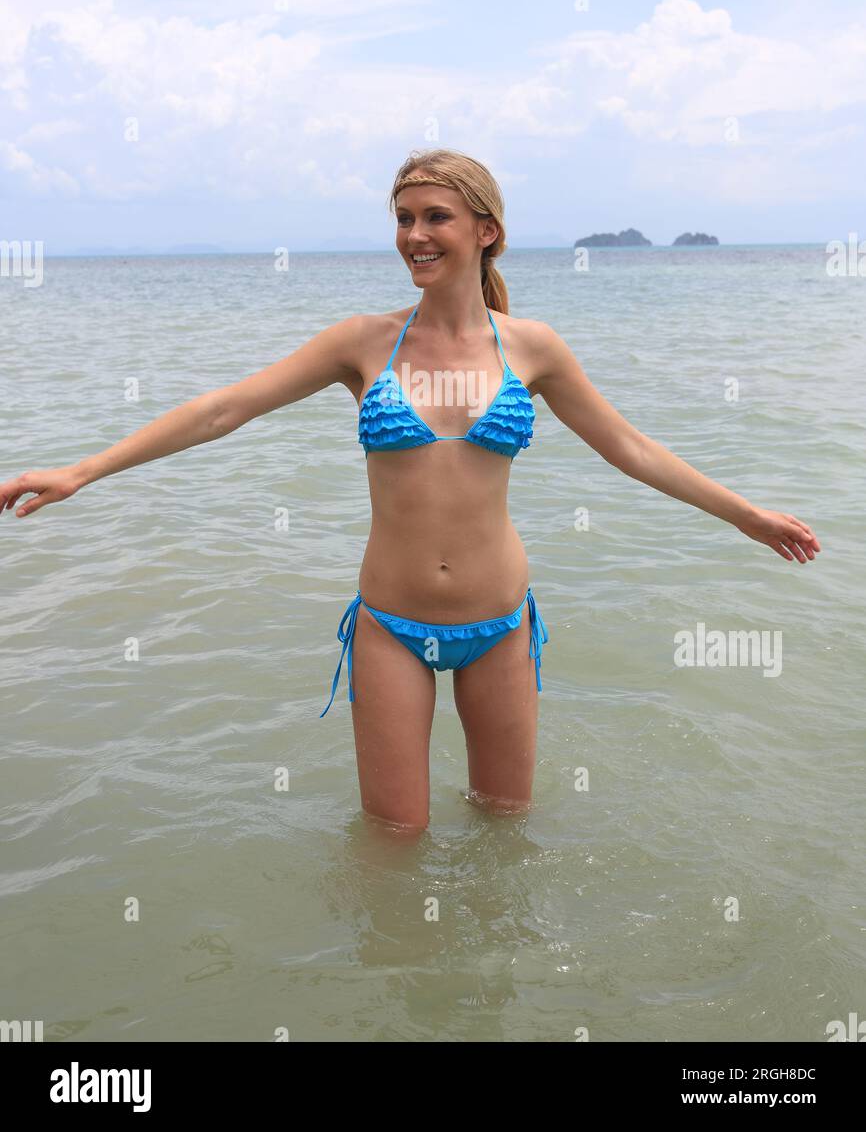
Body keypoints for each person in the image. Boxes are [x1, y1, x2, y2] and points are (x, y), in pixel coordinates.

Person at [0, 149, 821, 834]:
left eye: (434, 216)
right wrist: (84, 470)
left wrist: (742, 514)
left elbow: (632, 448)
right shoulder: (363, 342)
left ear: (485, 231)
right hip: (389, 627)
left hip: (499, 626)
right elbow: (224, 410)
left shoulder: (532, 349)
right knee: (394, 844)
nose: (414, 235)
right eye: (403, 218)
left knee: (506, 831)